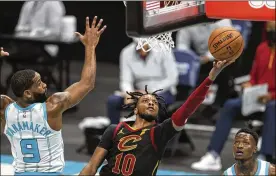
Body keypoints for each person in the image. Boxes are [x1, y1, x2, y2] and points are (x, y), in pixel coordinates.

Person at [78, 58, 235, 176]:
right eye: (146, 101)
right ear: (135, 108)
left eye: (155, 102)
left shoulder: (159, 133)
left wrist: (211, 77)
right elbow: (92, 167)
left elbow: (188, 106)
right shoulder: (115, 129)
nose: (151, 103)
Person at [0, 16, 106, 175]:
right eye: (39, 83)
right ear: (28, 93)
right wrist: (90, 47)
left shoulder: (5, 109)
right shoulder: (52, 107)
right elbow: (87, 83)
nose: (45, 85)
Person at [191, 21, 276, 171]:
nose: (272, 32)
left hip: (273, 100)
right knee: (230, 105)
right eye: (269, 29)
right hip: (258, 98)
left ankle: (265, 158)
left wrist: (271, 95)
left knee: (272, 107)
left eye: (274, 29)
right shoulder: (261, 48)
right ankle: (213, 155)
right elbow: (254, 77)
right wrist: (250, 85)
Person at [107, 40, 178, 124]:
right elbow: (125, 80)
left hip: (162, 91)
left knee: (155, 103)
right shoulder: (126, 52)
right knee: (113, 101)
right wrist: (129, 93)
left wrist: (150, 92)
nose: (142, 50)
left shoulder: (164, 49)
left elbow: (172, 78)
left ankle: (154, 134)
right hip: (139, 93)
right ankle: (115, 133)